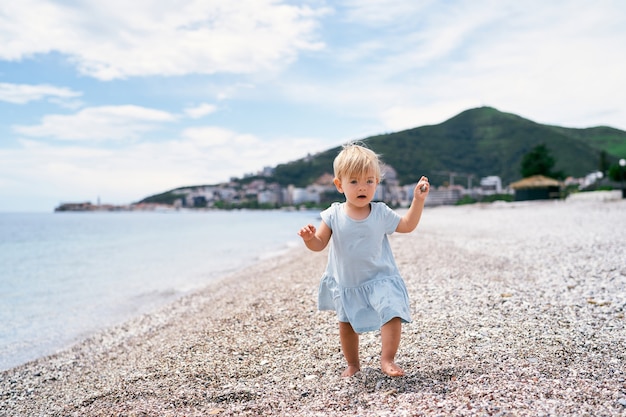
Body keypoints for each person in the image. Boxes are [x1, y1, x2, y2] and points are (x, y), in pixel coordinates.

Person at [298, 143, 429, 377]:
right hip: (348, 282)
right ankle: (353, 364)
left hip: (381, 278)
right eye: (354, 181)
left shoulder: (380, 212)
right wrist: (309, 239)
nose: (363, 187)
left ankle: (387, 359)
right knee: (346, 324)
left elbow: (407, 225)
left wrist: (417, 200)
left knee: (391, 311)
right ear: (339, 185)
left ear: (377, 183)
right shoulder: (333, 215)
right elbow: (319, 244)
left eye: (369, 181)